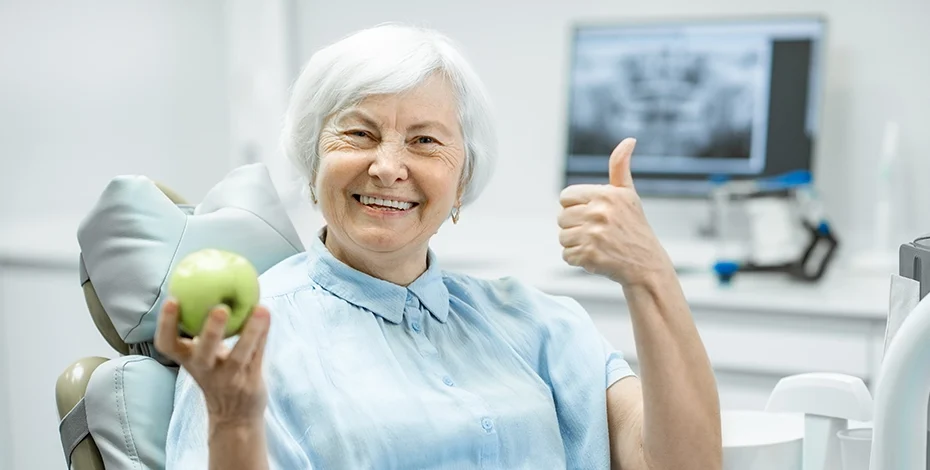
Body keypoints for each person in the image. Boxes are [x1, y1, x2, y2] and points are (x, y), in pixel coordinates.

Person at [156, 23, 722, 470]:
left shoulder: (539, 324)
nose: (387, 167)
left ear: (462, 179)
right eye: (359, 133)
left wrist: (650, 273)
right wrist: (232, 421)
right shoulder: (250, 340)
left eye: (424, 141)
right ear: (313, 160)